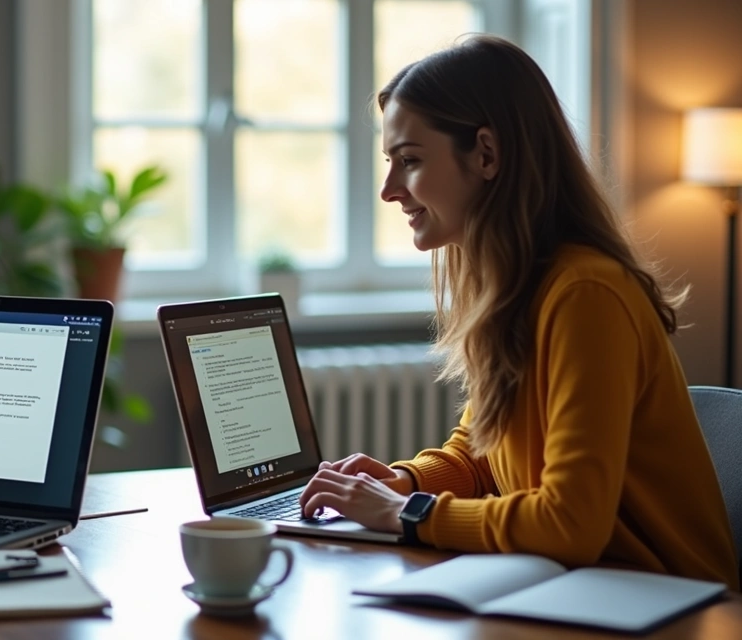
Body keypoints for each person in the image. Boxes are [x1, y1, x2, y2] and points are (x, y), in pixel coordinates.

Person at [298, 35, 739, 590]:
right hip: (586, 588)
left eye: (408, 161)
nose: (389, 190)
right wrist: (403, 481)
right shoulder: (513, 290)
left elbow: (570, 522)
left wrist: (402, 514)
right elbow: (483, 454)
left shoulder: (586, 294)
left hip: (670, 604)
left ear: (486, 153)